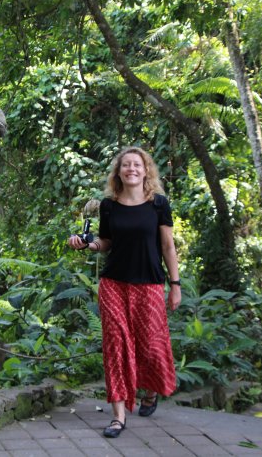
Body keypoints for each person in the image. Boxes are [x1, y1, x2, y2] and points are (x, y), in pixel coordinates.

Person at [68, 147, 181, 438]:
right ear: (118, 172)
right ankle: (118, 417)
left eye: (137, 165)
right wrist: (89, 244)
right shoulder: (109, 206)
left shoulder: (158, 204)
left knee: (151, 346)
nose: (131, 169)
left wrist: (175, 285)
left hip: (149, 284)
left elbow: (168, 246)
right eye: (126, 165)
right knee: (116, 346)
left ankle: (150, 391)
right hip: (114, 285)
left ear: (146, 170)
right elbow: (106, 241)